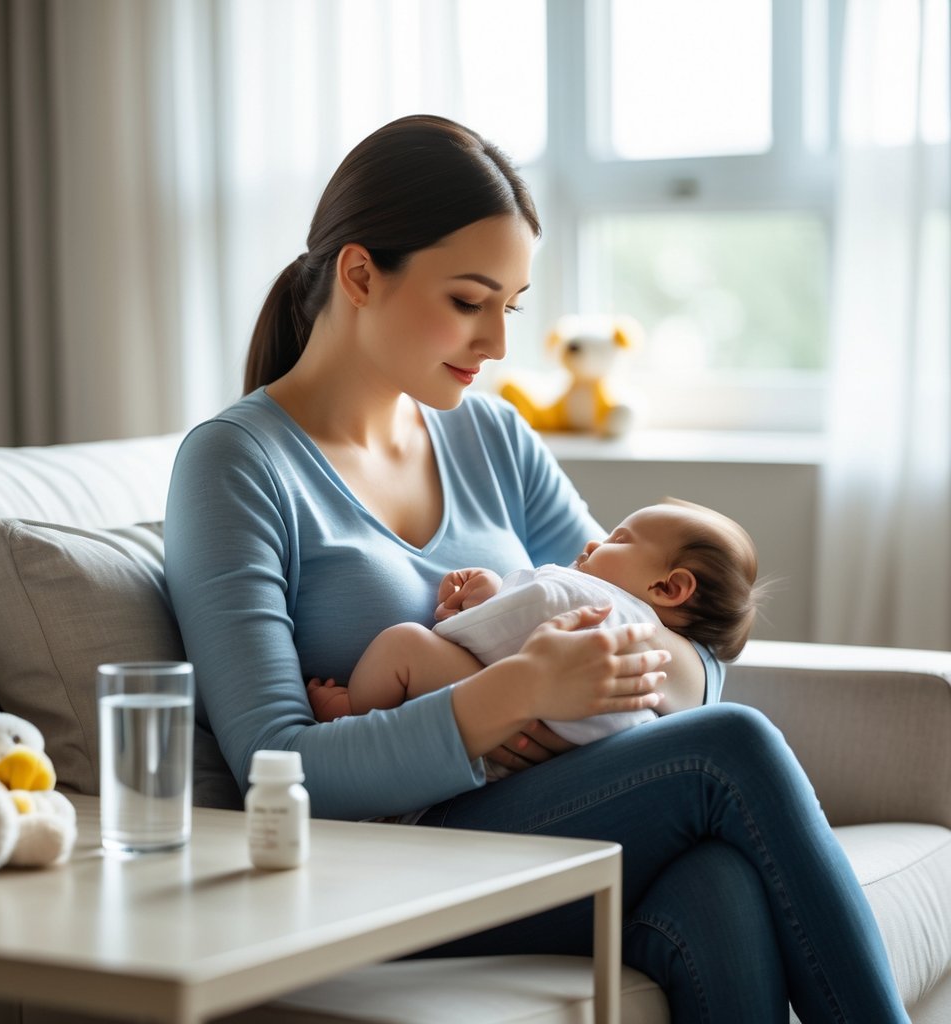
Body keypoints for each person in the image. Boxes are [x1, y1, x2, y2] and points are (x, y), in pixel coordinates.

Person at [164, 114, 908, 1022]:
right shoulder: (236, 466)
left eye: (509, 307)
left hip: (534, 815)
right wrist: (509, 696)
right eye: (470, 301)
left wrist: (582, 684)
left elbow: (685, 655)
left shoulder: (490, 434)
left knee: (722, 890)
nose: (497, 345)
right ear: (360, 275)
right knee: (735, 747)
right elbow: (278, 767)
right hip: (386, 852)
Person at [309, 498, 761, 754]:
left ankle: (357, 709)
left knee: (403, 646)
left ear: (667, 588)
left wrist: (471, 610)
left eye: (618, 539)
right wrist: (491, 595)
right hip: (532, 749)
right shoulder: (637, 634)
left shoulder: (598, 604)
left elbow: (530, 609)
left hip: (518, 739)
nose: (593, 541)